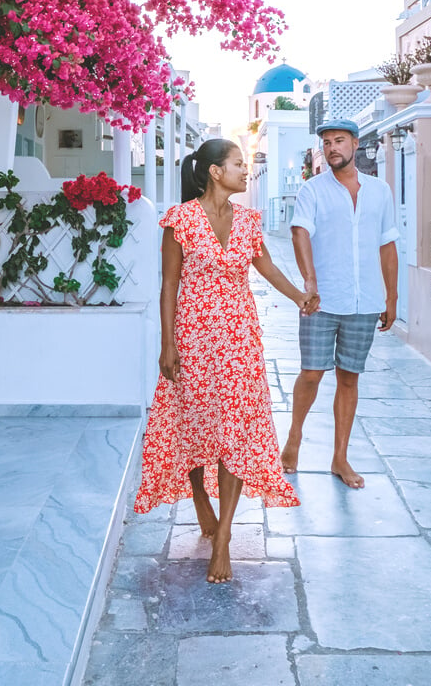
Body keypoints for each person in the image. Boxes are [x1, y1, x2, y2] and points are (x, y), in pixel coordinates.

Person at [134, 138, 318, 583]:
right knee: (194, 422)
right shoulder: (179, 221)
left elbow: (267, 267)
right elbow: (168, 286)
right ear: (216, 172)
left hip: (239, 340)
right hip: (192, 339)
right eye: (238, 164)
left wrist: (299, 297)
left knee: (233, 430)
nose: (245, 171)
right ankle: (199, 496)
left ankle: (224, 540)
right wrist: (167, 345)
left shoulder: (250, 221)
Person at [280, 119, 399, 489]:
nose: (332, 148)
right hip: (321, 299)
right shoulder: (312, 191)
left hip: (365, 300)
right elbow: (300, 231)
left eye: (339, 141)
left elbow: (387, 244)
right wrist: (309, 281)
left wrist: (391, 296)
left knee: (349, 378)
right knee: (312, 373)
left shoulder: (380, 191)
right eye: (326, 142)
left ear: (355, 144)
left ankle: (340, 457)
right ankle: (295, 435)